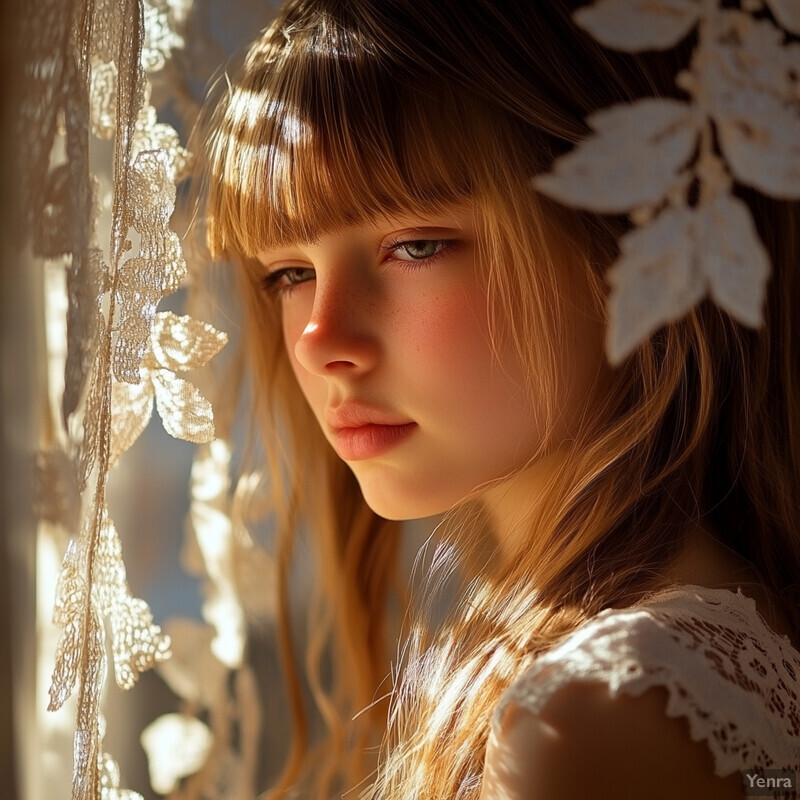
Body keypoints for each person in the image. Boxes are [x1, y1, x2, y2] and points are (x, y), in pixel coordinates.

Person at [198, 0, 800, 797]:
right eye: (290, 274)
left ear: (621, 242)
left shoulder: (594, 718)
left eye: (416, 245)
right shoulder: (710, 643)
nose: (317, 337)